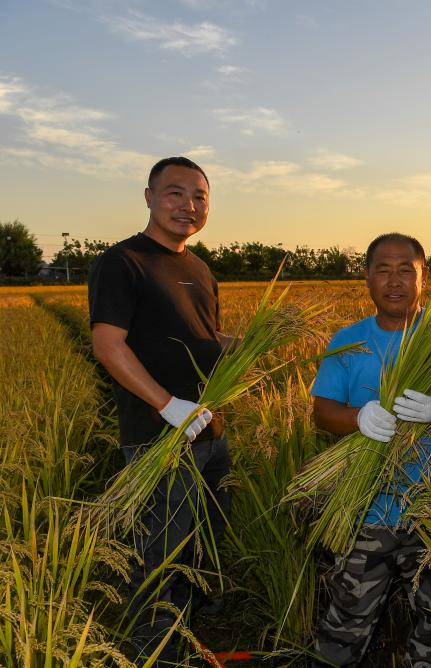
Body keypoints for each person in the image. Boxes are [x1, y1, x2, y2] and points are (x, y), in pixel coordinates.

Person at [89, 156, 233, 665]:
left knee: (202, 542)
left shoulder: (200, 269)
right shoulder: (123, 261)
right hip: (159, 434)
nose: (188, 205)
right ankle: (155, 652)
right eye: (175, 192)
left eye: (199, 196)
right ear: (149, 197)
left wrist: (250, 345)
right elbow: (108, 344)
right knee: (161, 550)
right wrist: (169, 405)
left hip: (210, 431)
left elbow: (205, 338)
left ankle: (186, 633)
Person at [310, 232, 431, 668]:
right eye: (383, 270)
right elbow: (322, 412)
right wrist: (358, 417)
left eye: (405, 271)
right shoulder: (349, 341)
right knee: (345, 625)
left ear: (423, 277)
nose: (394, 281)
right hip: (368, 508)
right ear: (367, 278)